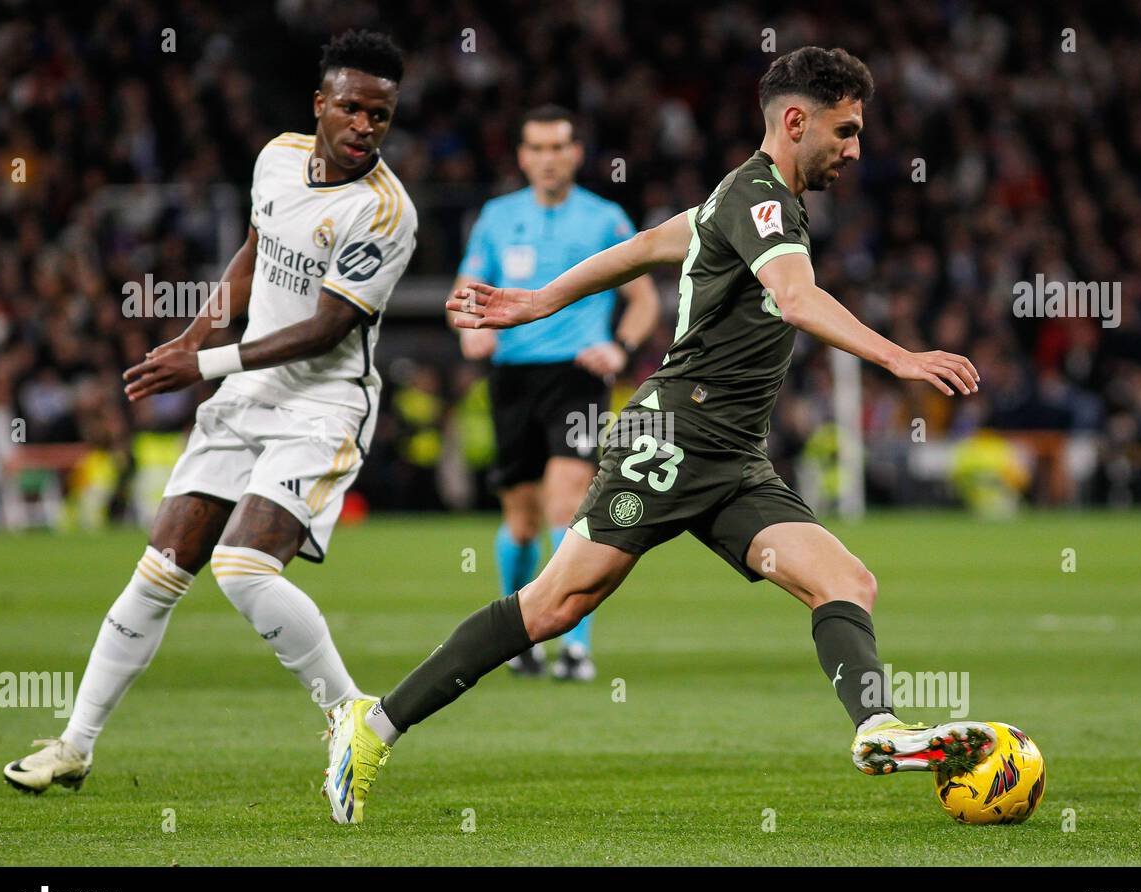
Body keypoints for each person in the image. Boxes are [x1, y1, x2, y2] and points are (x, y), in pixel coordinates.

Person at [323, 46, 997, 825]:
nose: (855, 149)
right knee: (553, 605)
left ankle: (878, 726)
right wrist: (899, 357)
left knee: (846, 582)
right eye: (844, 132)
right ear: (795, 120)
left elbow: (645, 246)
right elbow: (796, 296)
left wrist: (542, 300)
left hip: (734, 457)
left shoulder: (740, 198)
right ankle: (368, 727)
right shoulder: (761, 201)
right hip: (674, 437)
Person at [5, 30, 415, 793]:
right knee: (159, 571)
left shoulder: (386, 214)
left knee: (242, 566)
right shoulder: (276, 157)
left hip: (323, 405)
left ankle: (350, 714)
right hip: (250, 392)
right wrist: (200, 328)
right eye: (353, 109)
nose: (365, 127)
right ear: (320, 104)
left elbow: (329, 327)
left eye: (381, 116)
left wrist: (206, 362)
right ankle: (76, 744)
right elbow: (256, 249)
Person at [451, 105, 659, 680]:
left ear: (575, 153)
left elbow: (644, 301)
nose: (548, 158)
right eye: (537, 148)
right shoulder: (496, 217)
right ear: (522, 156)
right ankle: (520, 640)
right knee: (519, 521)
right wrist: (469, 331)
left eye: (558, 147)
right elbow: (464, 292)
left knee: (566, 505)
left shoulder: (606, 219)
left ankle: (575, 648)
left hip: (577, 376)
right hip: (513, 378)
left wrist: (618, 347)